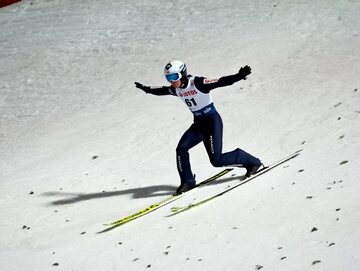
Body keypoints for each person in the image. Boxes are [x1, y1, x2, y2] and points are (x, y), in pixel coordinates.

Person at [135, 60, 262, 195]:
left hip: (212, 122)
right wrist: (147, 89)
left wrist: (239, 75)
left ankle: (252, 162)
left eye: (174, 77)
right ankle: (187, 182)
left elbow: (221, 81)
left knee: (217, 161)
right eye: (168, 78)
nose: (171, 81)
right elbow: (162, 90)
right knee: (181, 148)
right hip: (199, 124)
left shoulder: (198, 83)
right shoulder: (176, 89)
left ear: (183, 74)